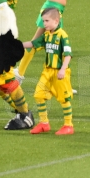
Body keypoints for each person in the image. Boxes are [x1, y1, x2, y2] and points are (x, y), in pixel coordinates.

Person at [21, 7, 74, 135]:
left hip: (59, 73)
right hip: (47, 72)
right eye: (43, 21)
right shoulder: (46, 35)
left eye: (46, 21)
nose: (44, 24)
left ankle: (68, 125)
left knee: (64, 98)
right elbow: (33, 44)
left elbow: (68, 55)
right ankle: (44, 123)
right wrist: (15, 44)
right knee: (38, 94)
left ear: (56, 21)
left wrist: (62, 69)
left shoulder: (62, 36)